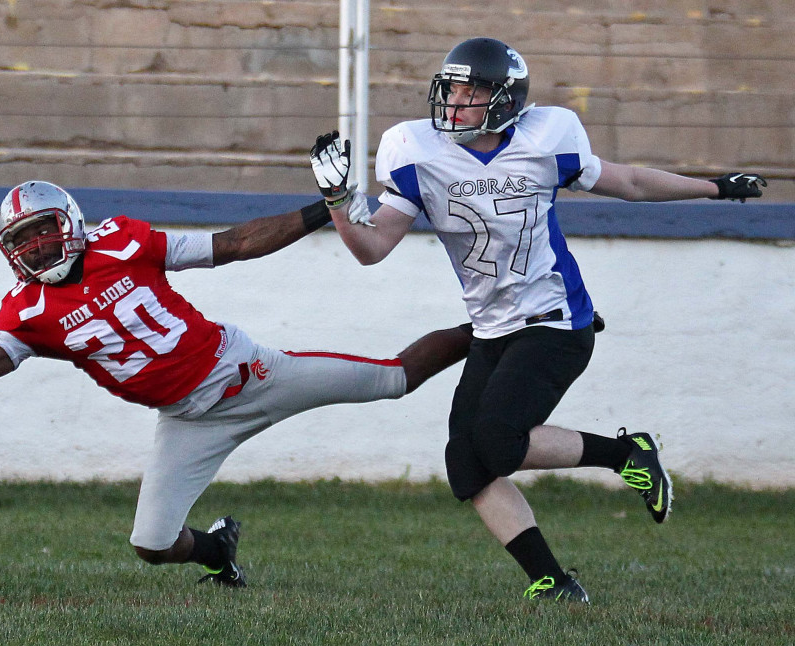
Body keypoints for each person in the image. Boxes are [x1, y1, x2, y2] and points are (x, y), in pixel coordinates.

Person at [0, 180, 473, 588]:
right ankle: (218, 551)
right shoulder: (27, 313)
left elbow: (234, 244)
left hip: (250, 374)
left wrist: (322, 209)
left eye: (43, 230)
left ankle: (496, 330)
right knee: (151, 544)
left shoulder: (123, 240)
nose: (35, 248)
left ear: (71, 221)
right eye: (21, 242)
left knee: (393, 380)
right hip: (187, 419)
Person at [309, 37, 766, 603]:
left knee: (498, 442)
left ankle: (626, 455)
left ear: (503, 100)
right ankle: (552, 583)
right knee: (467, 465)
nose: (452, 103)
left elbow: (630, 183)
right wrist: (336, 198)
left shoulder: (547, 138)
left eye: (469, 91)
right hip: (491, 329)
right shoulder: (415, 150)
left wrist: (717, 188)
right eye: (450, 89)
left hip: (555, 321)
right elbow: (372, 247)